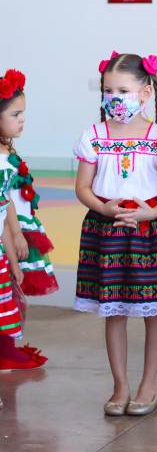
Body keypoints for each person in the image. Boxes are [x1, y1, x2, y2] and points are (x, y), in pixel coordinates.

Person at [73, 52, 157, 416]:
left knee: (154, 310)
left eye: (123, 90)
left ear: (145, 92)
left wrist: (150, 212)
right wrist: (105, 208)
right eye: (109, 90)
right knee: (114, 310)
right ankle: (120, 385)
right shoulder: (93, 136)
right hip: (106, 229)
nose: (114, 98)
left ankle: (148, 385)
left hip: (148, 230)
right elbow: (83, 187)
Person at [0, 68, 48, 371]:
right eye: (15, 114)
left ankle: (6, 349)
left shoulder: (6, 152)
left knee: (8, 297)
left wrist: (14, 251)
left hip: (2, 246)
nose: (22, 120)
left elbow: (4, 207)